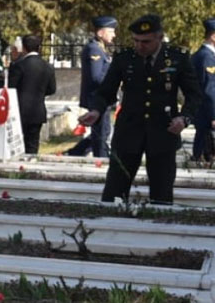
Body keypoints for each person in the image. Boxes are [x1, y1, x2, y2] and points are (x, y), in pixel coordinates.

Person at [79, 14, 200, 205]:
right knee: (114, 193)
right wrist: (96, 111)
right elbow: (106, 91)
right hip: (128, 132)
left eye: (146, 41)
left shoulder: (178, 59)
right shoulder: (124, 58)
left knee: (161, 196)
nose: (140, 46)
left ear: (159, 38)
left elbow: (194, 94)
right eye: (136, 41)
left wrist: (184, 118)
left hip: (163, 132)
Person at [68, 16, 117, 157]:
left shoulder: (100, 49)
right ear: (100, 33)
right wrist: (114, 82)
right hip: (97, 98)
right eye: (111, 31)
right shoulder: (94, 50)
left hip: (103, 98)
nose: (114, 35)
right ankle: (100, 159)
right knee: (101, 134)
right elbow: (96, 77)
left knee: (103, 132)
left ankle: (75, 153)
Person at [9, 35, 57, 154]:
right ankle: (32, 166)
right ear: (39, 48)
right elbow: (52, 89)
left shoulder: (19, 65)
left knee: (19, 143)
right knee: (33, 144)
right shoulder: (48, 66)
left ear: (24, 48)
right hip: (37, 111)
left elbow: (11, 88)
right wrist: (39, 93)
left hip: (20, 110)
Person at [191, 17, 215, 161]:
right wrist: (214, 115)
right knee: (203, 157)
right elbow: (210, 88)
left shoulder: (205, 55)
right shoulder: (207, 57)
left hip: (204, 112)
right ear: (213, 36)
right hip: (206, 113)